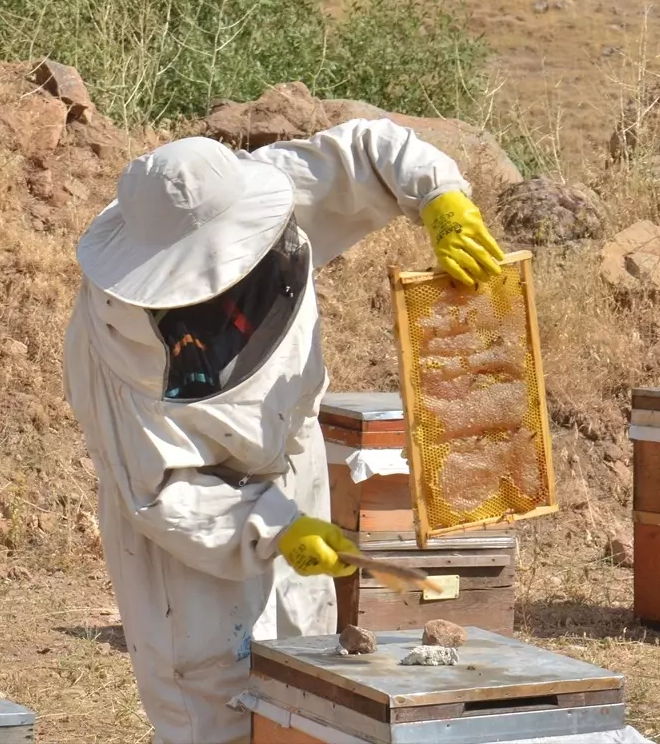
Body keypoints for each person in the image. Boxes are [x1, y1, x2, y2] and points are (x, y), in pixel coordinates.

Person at [63, 117, 505, 744]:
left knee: (305, 680)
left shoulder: (268, 191)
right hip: (194, 536)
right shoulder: (110, 349)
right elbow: (160, 493)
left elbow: (370, 152)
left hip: (293, 468)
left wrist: (440, 198)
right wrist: (271, 526)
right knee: (214, 705)